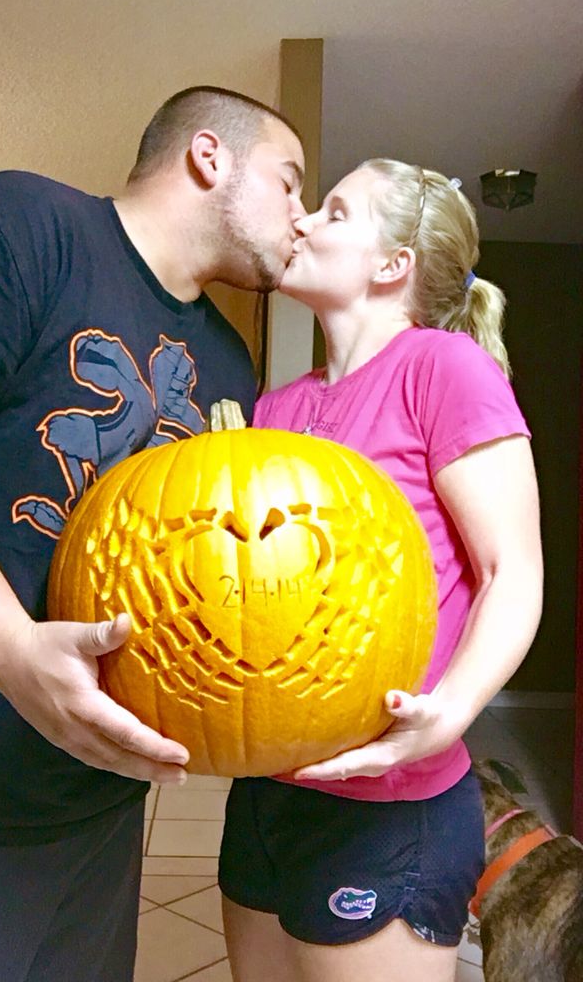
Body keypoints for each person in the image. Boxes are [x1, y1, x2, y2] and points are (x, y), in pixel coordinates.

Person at [0, 86, 305, 982]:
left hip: (93, 810)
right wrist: (9, 647)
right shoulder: (20, 225)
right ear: (210, 157)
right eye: (289, 183)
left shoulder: (225, 362)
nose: (303, 215)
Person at [218, 159, 543, 982]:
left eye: (334, 210)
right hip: (267, 786)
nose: (303, 222)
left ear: (393, 263)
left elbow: (513, 570)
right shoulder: (278, 409)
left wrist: (451, 710)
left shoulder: (444, 368)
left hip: (392, 803)